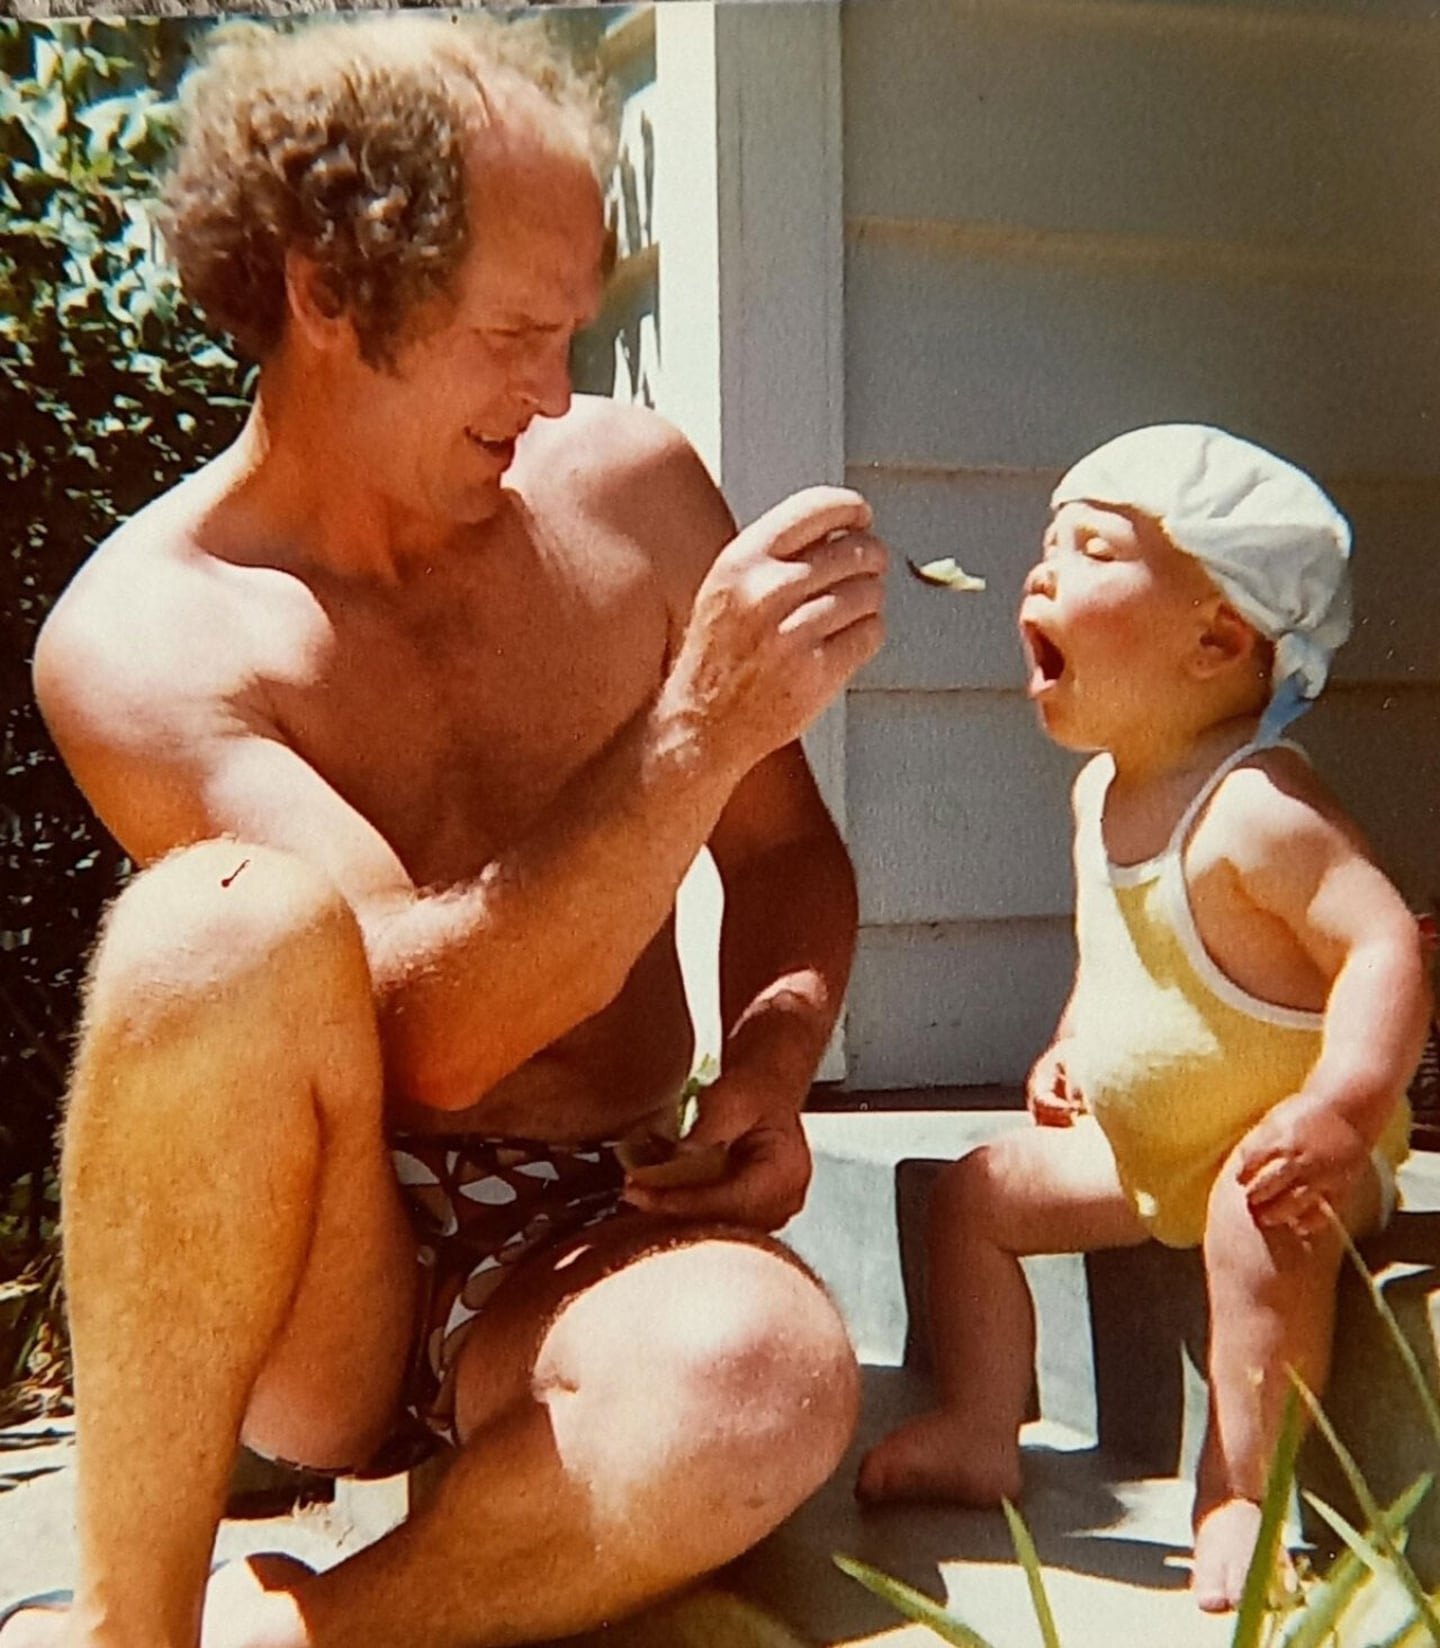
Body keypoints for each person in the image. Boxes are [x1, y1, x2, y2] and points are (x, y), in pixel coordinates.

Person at [2, 14, 887, 1648]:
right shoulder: (144, 633)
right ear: (328, 297)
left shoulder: (633, 494)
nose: (554, 393)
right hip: (321, 1267)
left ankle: (301, 1633)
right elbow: (436, 1041)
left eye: (575, 331)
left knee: (760, 1385)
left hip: (595, 1218)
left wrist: (770, 1061)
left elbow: (783, 856)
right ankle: (133, 1619)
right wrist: (692, 730)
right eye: (512, 335)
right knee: (216, 923)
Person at [856, 424, 1430, 1613]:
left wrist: (1342, 1109)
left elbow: (1384, 945)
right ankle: (981, 1422)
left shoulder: (1258, 810)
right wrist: (1076, 1041)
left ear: (1217, 639)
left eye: (1092, 550)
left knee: (1251, 1231)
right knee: (973, 1195)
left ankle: (1241, 1488)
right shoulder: (1099, 793)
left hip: (1289, 1158)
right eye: (1048, 542)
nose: (1040, 571)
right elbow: (1121, 957)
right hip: (1147, 1150)